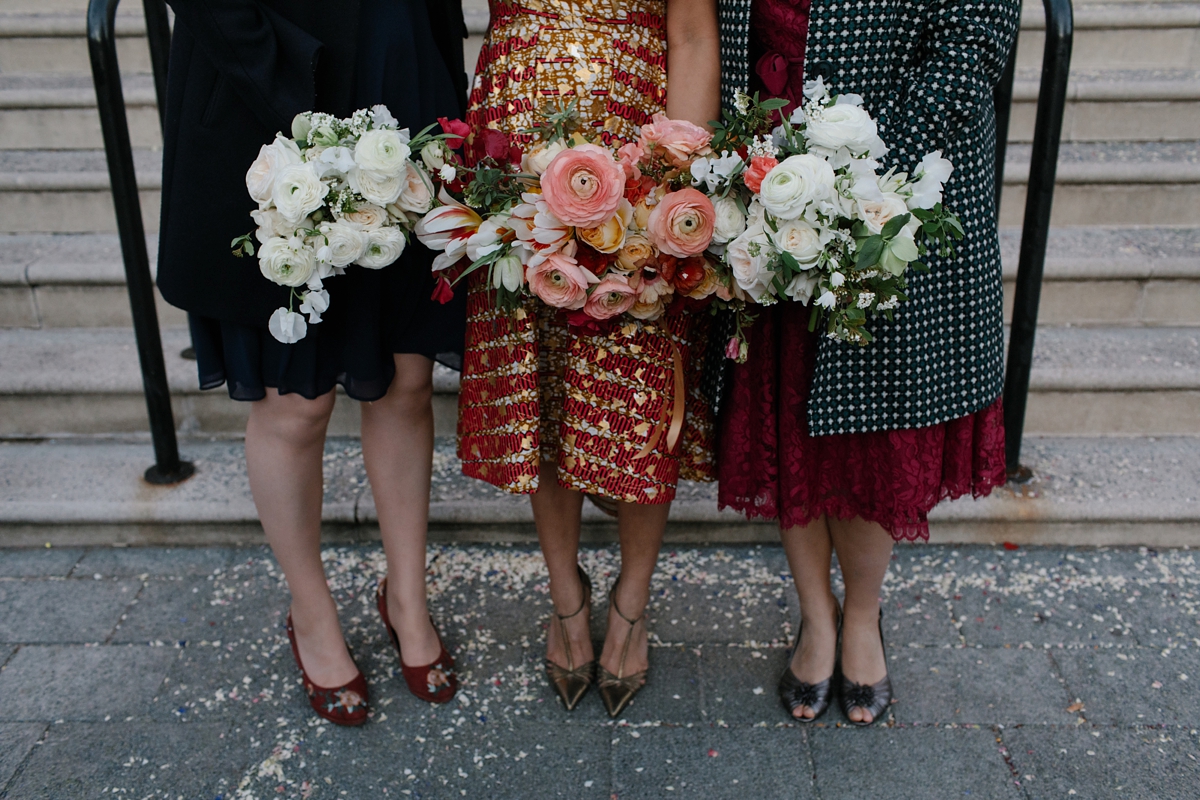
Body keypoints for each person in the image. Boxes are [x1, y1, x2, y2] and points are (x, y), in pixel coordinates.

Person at [157, 0, 469, 725]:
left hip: (403, 76)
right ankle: (312, 613)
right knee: (294, 404)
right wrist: (287, 80)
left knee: (405, 381)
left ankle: (407, 601)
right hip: (265, 85)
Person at [717, 0, 1021, 725]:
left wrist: (863, 180)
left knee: (874, 421)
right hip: (767, 172)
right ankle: (817, 618)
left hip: (895, 181)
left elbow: (973, 36)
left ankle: (862, 617)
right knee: (785, 411)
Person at [459, 0, 721, 717]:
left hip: (639, 140)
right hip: (514, 145)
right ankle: (566, 598)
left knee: (639, 388)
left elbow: (694, 31)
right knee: (539, 381)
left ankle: (631, 604)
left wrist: (675, 175)